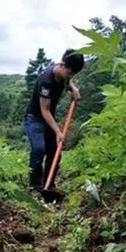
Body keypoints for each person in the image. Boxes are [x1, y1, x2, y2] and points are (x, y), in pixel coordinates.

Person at [23, 48, 84, 192]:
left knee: (55, 151)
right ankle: (35, 187)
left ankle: (49, 185)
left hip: (48, 118)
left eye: (73, 74)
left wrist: (73, 89)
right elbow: (44, 110)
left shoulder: (64, 73)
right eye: (70, 73)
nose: (70, 76)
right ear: (62, 65)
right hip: (34, 118)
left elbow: (67, 81)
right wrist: (58, 131)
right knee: (39, 149)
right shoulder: (46, 81)